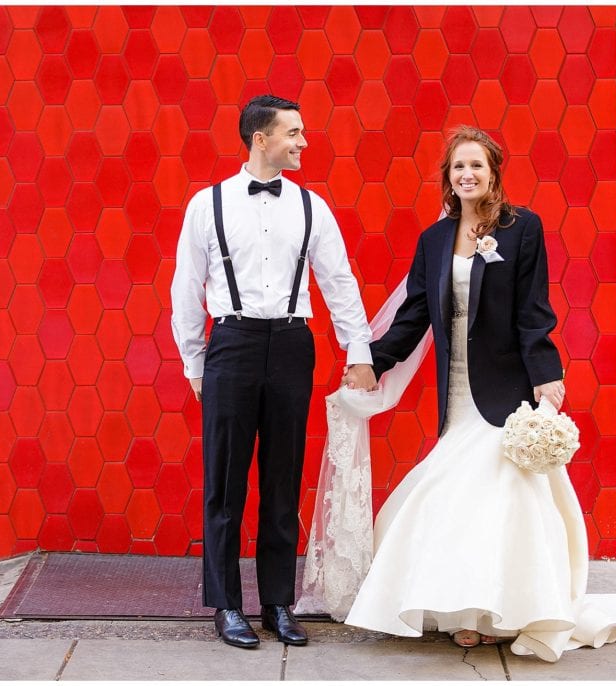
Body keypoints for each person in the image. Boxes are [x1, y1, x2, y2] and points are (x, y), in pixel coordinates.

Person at [339, 126, 616, 661]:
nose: (467, 174)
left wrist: (546, 373)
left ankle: (504, 609)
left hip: (506, 387)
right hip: (456, 390)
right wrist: (372, 362)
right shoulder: (433, 239)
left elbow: (532, 310)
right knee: (452, 493)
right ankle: (465, 611)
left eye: (477, 165)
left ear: (494, 171)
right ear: (447, 177)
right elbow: (414, 316)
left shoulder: (522, 229)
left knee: (497, 495)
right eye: (457, 167)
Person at [171, 94, 377, 649]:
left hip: (291, 342)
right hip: (231, 342)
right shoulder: (206, 205)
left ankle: (278, 604)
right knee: (225, 480)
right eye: (294, 133)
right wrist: (195, 360)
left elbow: (339, 282)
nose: (303, 142)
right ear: (261, 139)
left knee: (283, 478)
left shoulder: (312, 207)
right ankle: (226, 606)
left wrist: (358, 350)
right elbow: (186, 289)